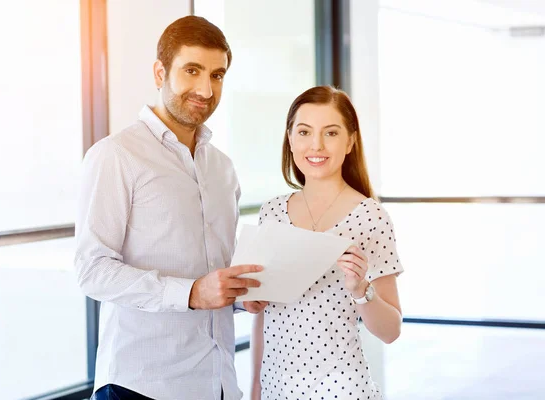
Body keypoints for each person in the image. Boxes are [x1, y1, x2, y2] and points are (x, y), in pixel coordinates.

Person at [75, 16, 267, 400]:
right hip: (141, 384)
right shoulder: (116, 155)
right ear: (160, 72)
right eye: (192, 70)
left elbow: (213, 275)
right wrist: (191, 293)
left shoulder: (222, 169)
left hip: (216, 382)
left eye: (217, 75)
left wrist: (239, 298)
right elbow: (91, 271)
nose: (205, 89)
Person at [250, 86, 404, 400]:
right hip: (276, 389)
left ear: (350, 141)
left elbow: (391, 331)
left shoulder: (371, 217)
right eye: (304, 131)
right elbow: (262, 314)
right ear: (290, 138)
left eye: (331, 133)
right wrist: (255, 388)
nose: (316, 145)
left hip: (341, 390)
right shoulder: (272, 212)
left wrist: (361, 289)